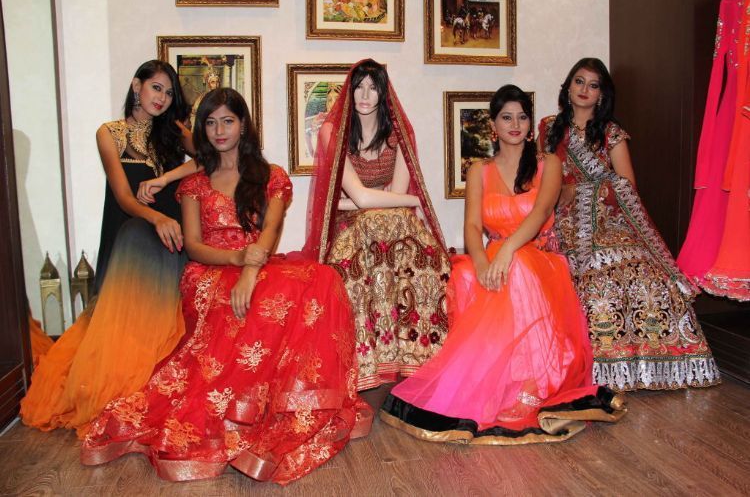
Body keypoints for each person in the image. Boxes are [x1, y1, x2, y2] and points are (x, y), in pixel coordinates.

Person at [82, 88, 371, 485]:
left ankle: (293, 403)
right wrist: (237, 261)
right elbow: (194, 246)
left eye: (228, 121)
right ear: (202, 129)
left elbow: (269, 233)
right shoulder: (195, 184)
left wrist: (250, 269)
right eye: (211, 122)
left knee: (322, 279)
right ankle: (238, 409)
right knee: (262, 300)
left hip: (258, 264)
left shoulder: (270, 176)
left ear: (243, 125)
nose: (219, 130)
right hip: (210, 272)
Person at [380, 85, 625, 444]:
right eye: (506, 117)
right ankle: (484, 380)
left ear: (529, 124)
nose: (515, 124)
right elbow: (472, 227)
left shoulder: (548, 164)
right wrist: (481, 264)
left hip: (537, 255)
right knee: (464, 274)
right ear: (493, 126)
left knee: (519, 266)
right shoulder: (479, 170)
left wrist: (508, 249)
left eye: (522, 117)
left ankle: (531, 383)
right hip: (494, 256)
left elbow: (541, 212)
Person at [20, 60, 193, 437]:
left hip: (172, 237)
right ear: (136, 85)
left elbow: (210, 158)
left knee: (169, 322)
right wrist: (156, 219)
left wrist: (167, 176)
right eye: (156, 87)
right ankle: (121, 396)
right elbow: (124, 197)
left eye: (168, 92)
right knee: (123, 329)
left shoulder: (172, 132)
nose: (162, 98)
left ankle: (159, 397)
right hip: (133, 233)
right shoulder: (110, 133)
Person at [538, 58, 720, 391]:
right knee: (593, 277)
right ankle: (594, 367)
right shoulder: (549, 129)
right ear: (568, 86)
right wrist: (561, 195)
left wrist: (579, 190)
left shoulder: (611, 133)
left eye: (593, 85)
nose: (584, 90)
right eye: (579, 81)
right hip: (564, 221)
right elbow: (540, 180)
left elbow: (626, 186)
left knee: (646, 272)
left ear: (602, 95)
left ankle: (656, 363)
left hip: (610, 221)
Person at [302, 59, 451, 391]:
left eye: (373, 87)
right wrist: (412, 200)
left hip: (387, 226)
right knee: (378, 224)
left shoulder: (398, 136)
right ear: (349, 91)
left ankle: (416, 357)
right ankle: (372, 362)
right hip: (349, 229)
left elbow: (390, 200)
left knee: (423, 254)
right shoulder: (332, 132)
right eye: (359, 87)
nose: (365, 95)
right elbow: (365, 197)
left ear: (384, 93)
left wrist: (380, 201)